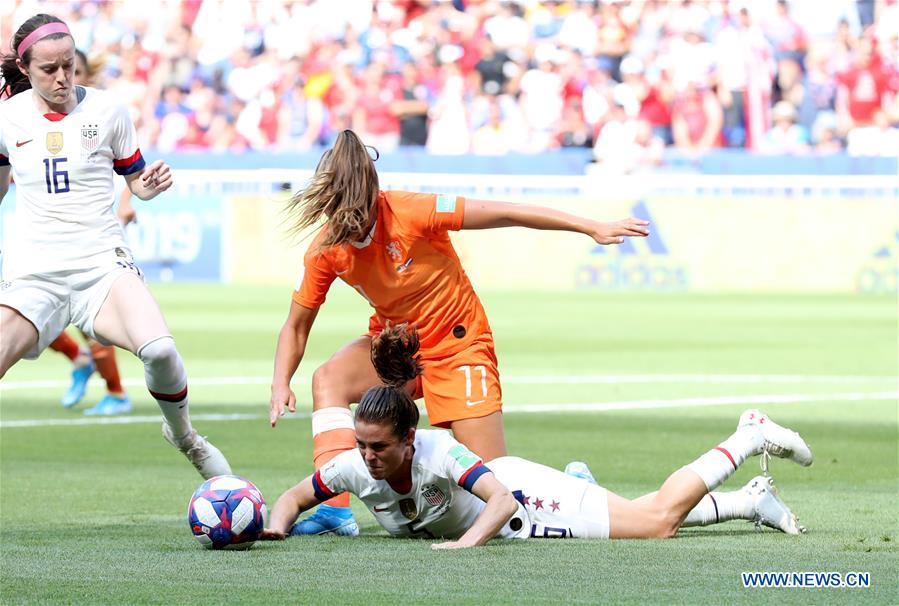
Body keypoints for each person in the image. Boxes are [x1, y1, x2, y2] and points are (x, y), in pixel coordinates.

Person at [270, 128, 649, 536]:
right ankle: (335, 512)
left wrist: (590, 226)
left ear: (371, 194)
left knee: (497, 482)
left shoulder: (412, 210)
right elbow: (296, 324)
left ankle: (576, 485)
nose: (354, 226)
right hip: (397, 353)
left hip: (458, 347)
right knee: (327, 378)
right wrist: (280, 383)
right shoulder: (325, 249)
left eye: (360, 215)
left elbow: (506, 212)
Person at [262, 325, 812, 547]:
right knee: (634, 513)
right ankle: (747, 502)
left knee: (654, 524)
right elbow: (294, 495)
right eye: (362, 445)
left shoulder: (439, 451)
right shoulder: (354, 467)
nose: (367, 456)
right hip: (517, 521)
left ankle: (746, 435)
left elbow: (498, 500)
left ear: (410, 437)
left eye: (379, 446)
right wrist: (275, 528)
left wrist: (465, 543)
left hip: (523, 499)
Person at [0, 14, 230, 478]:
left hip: (100, 265)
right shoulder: (7, 118)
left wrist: (150, 184)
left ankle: (184, 435)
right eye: (49, 69)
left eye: (69, 64)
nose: (63, 76)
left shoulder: (109, 111)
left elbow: (135, 184)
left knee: (162, 351)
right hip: (32, 273)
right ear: (25, 70)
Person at [47, 48, 136, 416]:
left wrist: (127, 201)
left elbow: (134, 165)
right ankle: (81, 360)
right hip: (49, 235)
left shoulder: (102, 114)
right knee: (35, 315)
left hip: (97, 235)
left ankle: (115, 392)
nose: (66, 78)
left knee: (93, 319)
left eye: (75, 70)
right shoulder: (37, 119)